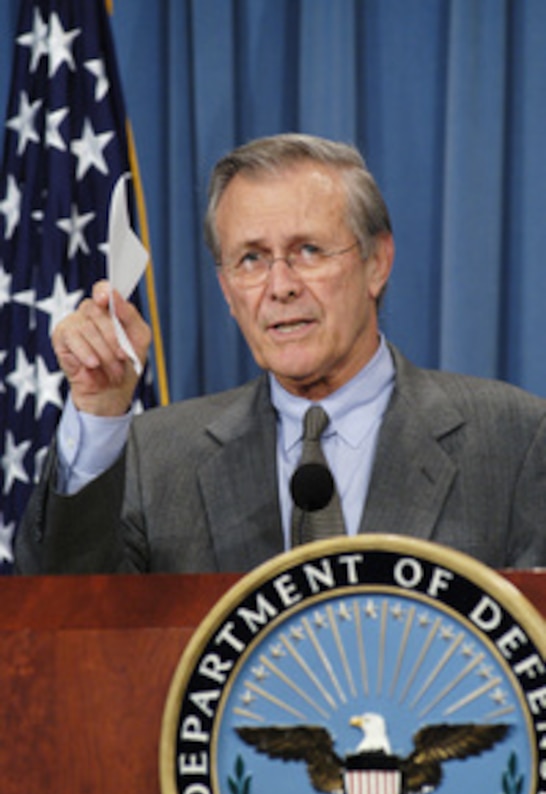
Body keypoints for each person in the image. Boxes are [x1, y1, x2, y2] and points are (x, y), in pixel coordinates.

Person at [14, 133, 546, 574]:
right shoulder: (156, 462)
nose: (280, 285)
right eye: (250, 259)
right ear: (226, 289)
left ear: (377, 262)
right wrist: (100, 413)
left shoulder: (515, 441)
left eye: (308, 250)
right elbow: (66, 621)